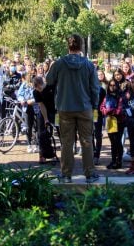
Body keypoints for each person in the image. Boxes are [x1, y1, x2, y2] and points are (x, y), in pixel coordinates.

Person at [46, 33, 100, 184]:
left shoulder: (59, 63)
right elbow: (95, 89)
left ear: (68, 46)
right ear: (81, 46)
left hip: (65, 107)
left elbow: (49, 80)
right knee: (87, 141)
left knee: (67, 142)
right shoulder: (89, 64)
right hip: (84, 107)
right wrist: (94, 105)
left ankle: (66, 174)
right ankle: (90, 174)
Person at [33, 75, 58, 164]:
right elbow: (41, 105)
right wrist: (46, 119)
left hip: (55, 111)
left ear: (41, 84)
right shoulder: (36, 92)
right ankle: (42, 155)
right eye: (36, 89)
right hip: (43, 112)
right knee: (41, 134)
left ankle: (51, 153)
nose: (38, 90)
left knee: (51, 133)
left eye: (39, 88)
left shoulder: (51, 87)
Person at [101, 77, 124, 169]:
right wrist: (104, 111)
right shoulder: (107, 96)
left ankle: (119, 161)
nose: (112, 87)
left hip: (119, 121)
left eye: (114, 85)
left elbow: (120, 109)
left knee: (118, 141)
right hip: (110, 121)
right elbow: (102, 106)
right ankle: (113, 160)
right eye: (110, 85)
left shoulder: (121, 96)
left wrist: (110, 111)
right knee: (112, 142)